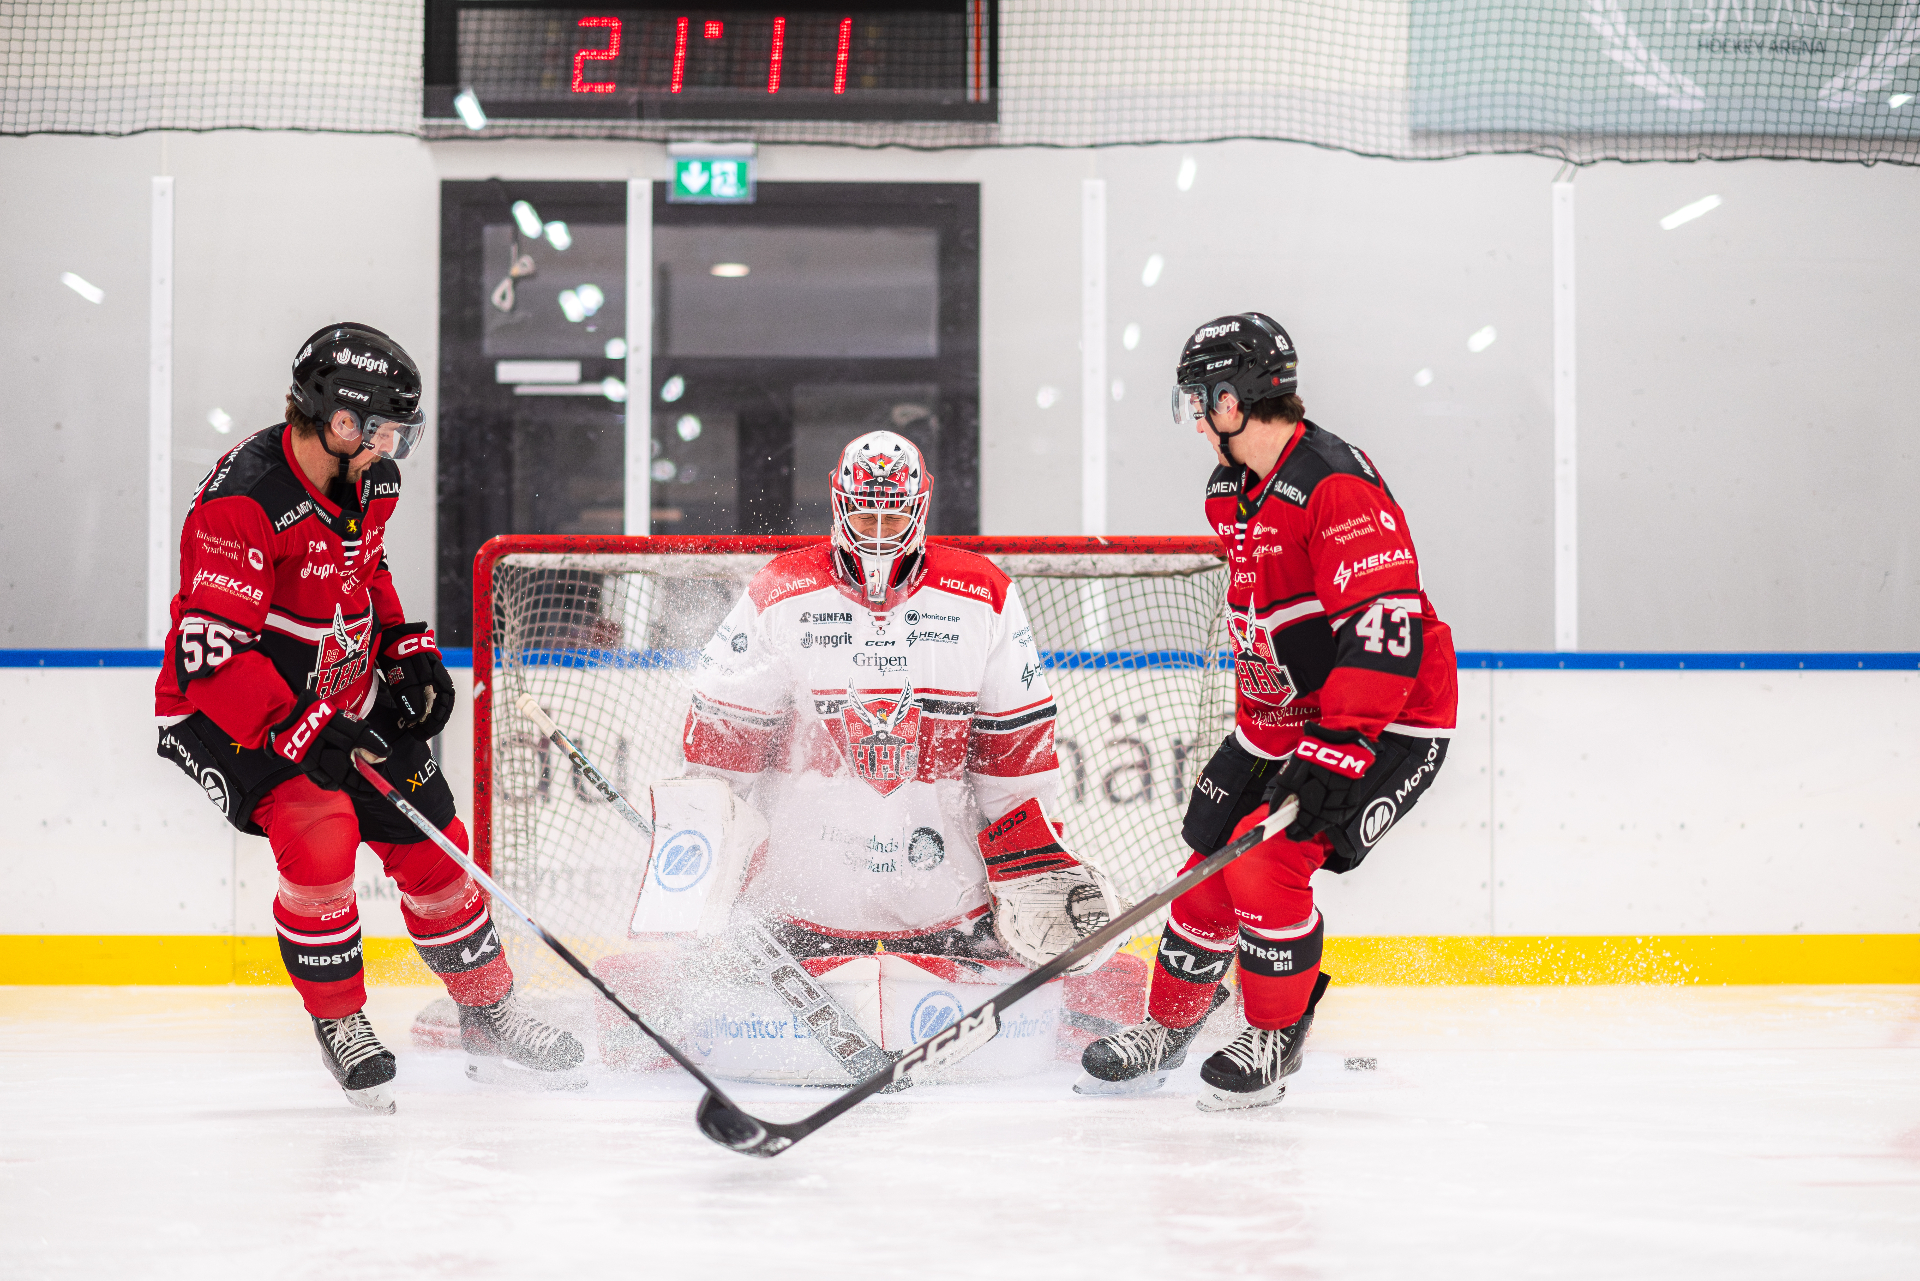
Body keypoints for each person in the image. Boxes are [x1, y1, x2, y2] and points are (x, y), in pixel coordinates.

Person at [154, 323, 581, 1112]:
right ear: (339, 419)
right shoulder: (242, 504)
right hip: (235, 708)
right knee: (320, 837)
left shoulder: (370, 479)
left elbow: (362, 568)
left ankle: (489, 1012)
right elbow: (209, 657)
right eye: (383, 428)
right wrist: (299, 726)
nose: (392, 448)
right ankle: (340, 1020)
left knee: (438, 850)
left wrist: (402, 647)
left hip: (339, 691)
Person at [1077, 313, 1458, 1111]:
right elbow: (1273, 628)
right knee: (1205, 866)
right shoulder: (1230, 490)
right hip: (1297, 719)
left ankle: (1275, 1035)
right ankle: (1168, 1026)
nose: (1194, 419)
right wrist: (1254, 743)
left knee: (1266, 861)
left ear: (1231, 399)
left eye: (1198, 401)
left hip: (1392, 719)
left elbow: (1383, 635)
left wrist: (1337, 748)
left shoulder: (1334, 485)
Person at [660, 431, 1136, 1059]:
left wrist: (1033, 863)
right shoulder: (779, 589)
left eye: (892, 515)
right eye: (865, 515)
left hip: (943, 899)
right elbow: (722, 749)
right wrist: (697, 859)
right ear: (838, 506)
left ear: (921, 507)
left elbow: (1013, 755)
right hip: (800, 900)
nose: (879, 532)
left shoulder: (983, 593)